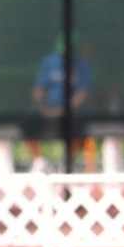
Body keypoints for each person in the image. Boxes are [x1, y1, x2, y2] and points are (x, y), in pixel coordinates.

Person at [29, 31, 93, 172]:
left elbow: (82, 94)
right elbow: (39, 89)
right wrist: (42, 107)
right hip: (47, 109)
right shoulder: (48, 62)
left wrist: (63, 110)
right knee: (26, 125)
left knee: (81, 129)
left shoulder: (82, 66)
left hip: (73, 111)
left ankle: (68, 162)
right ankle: (39, 161)